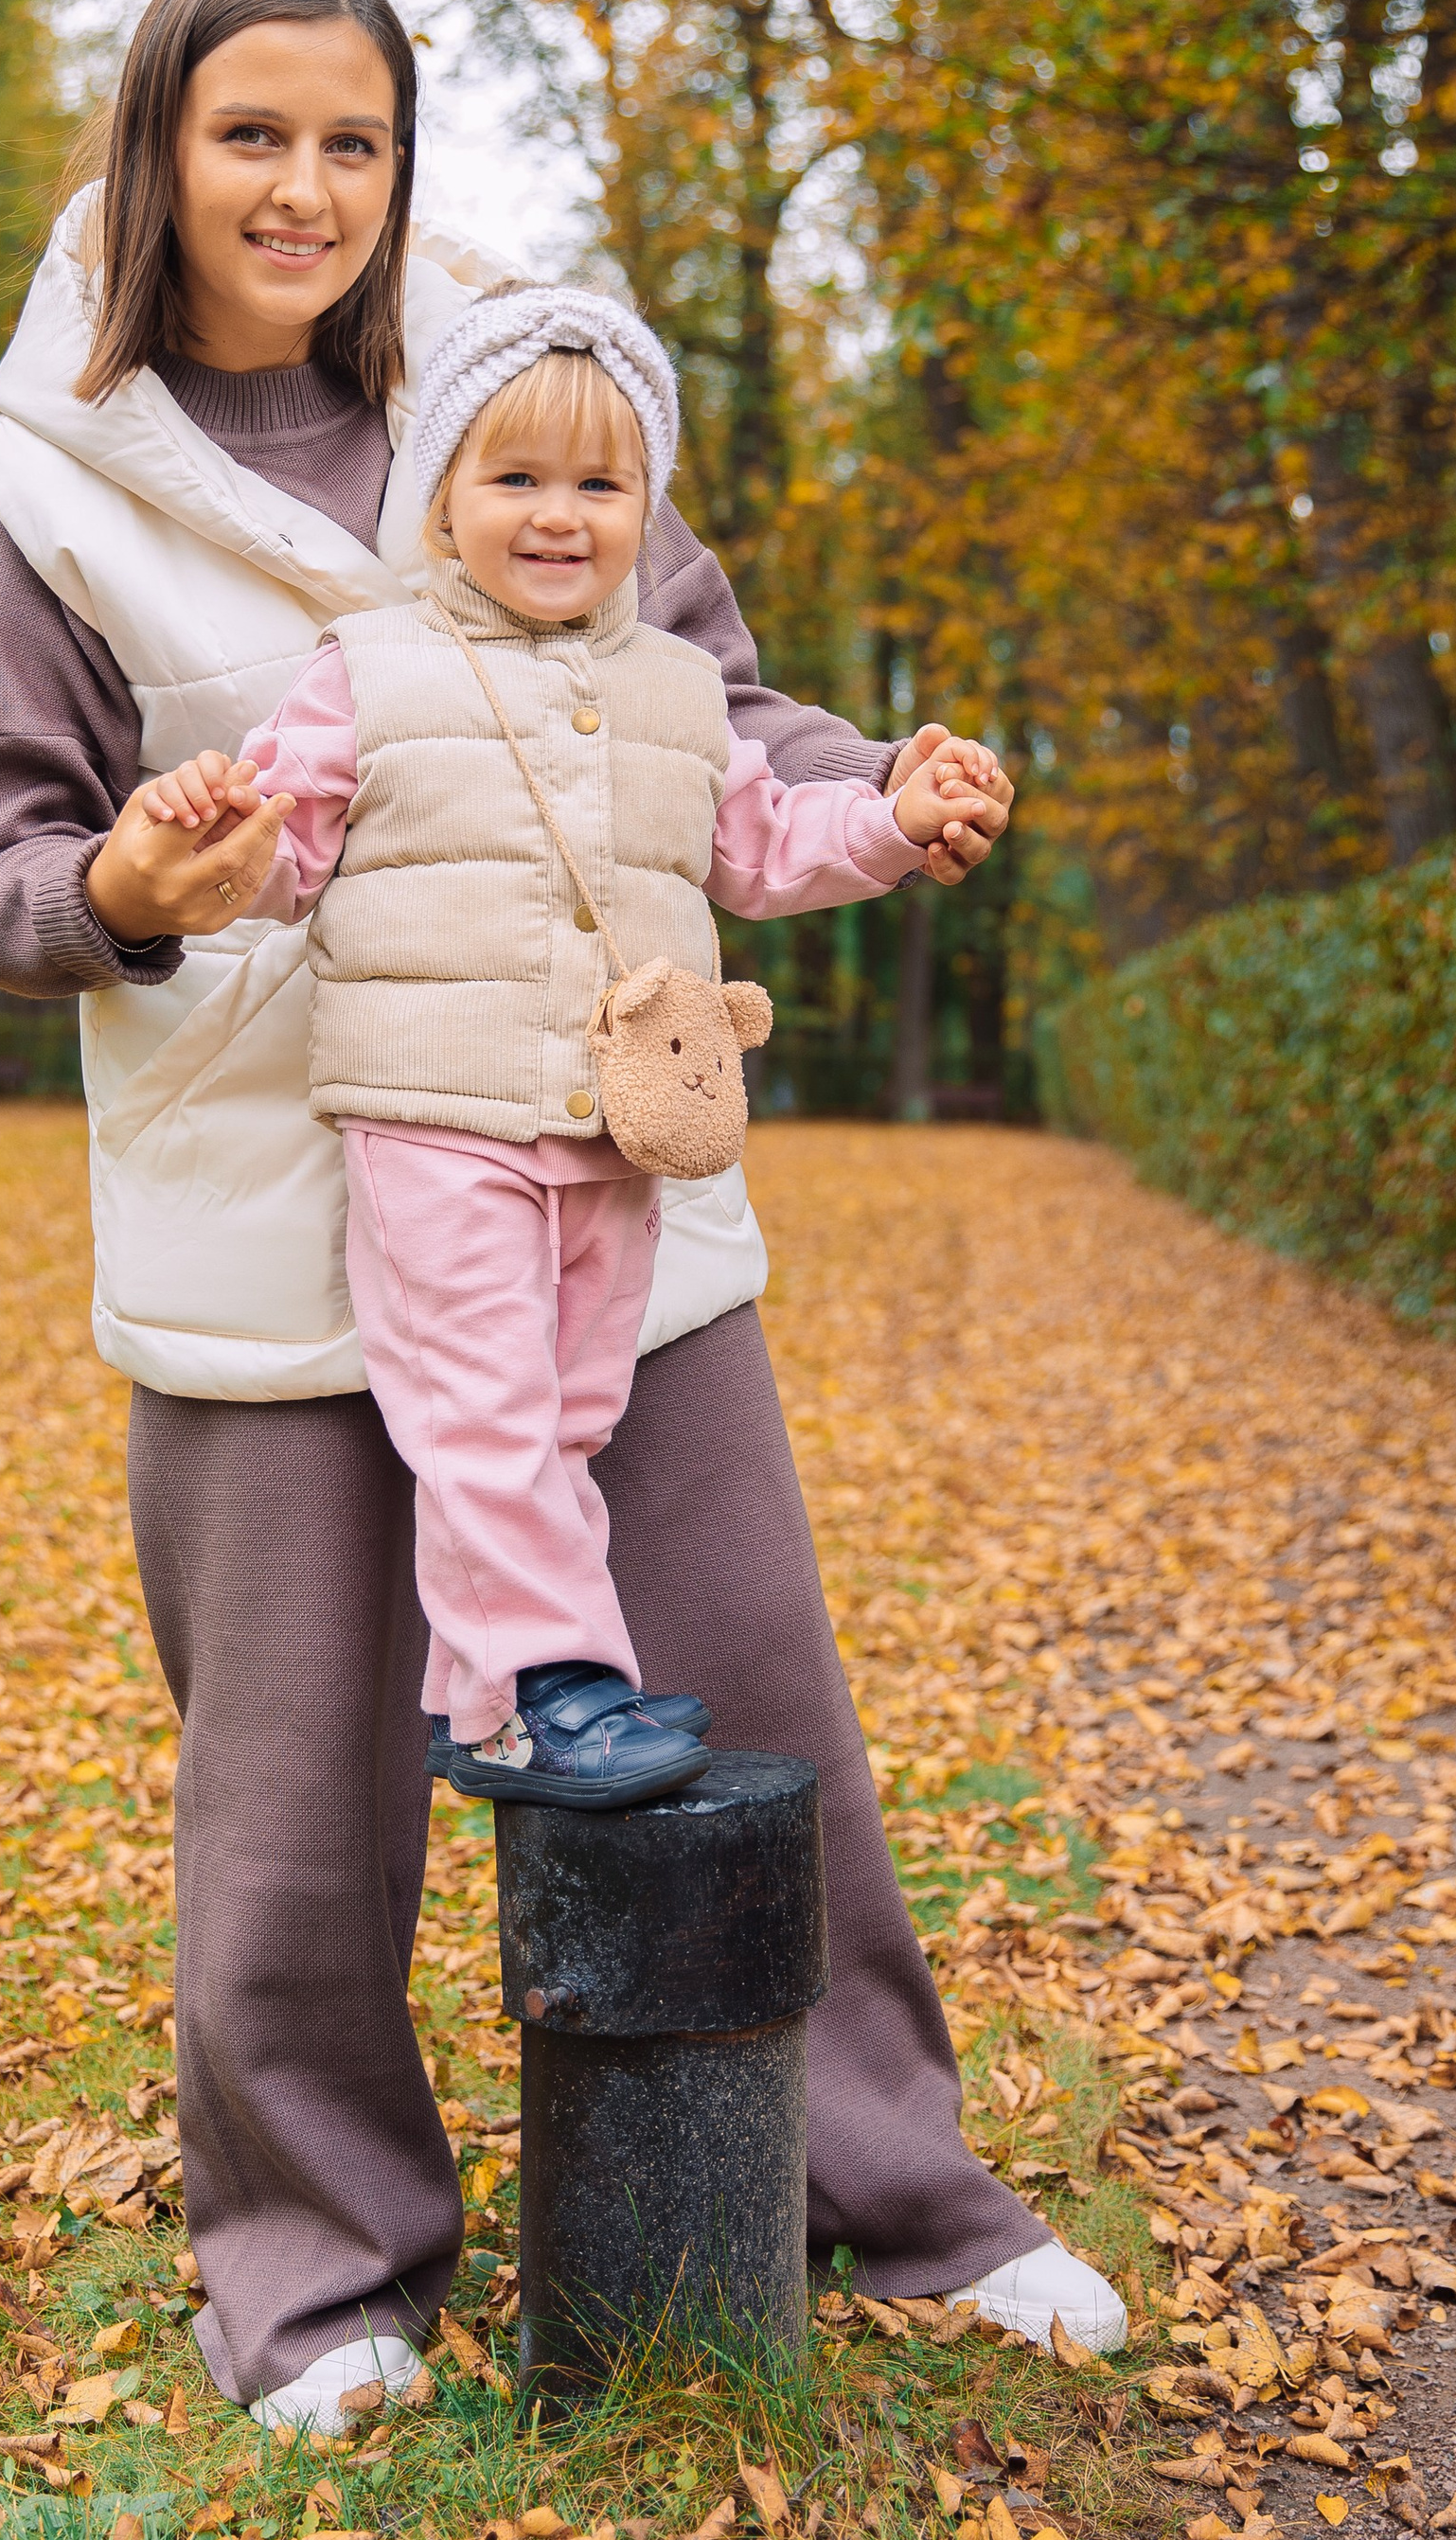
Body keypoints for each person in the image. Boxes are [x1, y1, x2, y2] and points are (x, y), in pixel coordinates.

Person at [0, 0, 1129, 2432]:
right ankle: (322, 2277)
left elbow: (710, 699)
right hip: (269, 1208)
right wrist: (134, 889)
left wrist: (874, 788)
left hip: (610, 1165)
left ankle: (890, 2189)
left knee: (751, 1688)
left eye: (350, 137)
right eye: (250, 131)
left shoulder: (522, 384)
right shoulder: (52, 493)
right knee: (296, 1806)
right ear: (157, 150)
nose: (304, 185)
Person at [124, 277, 1002, 1810]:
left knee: (573, 1415)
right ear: (443, 495)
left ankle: (483, 1700)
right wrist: (213, 845)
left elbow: (766, 842)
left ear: (645, 507)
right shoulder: (370, 669)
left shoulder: (676, 691)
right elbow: (288, 846)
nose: (557, 516)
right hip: (434, 1116)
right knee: (482, 1415)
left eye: (600, 485)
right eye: (513, 478)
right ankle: (554, 1687)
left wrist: (893, 820)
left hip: (620, 1126)